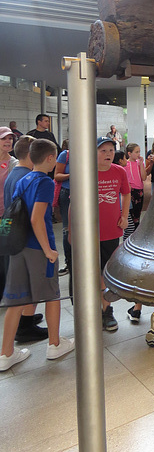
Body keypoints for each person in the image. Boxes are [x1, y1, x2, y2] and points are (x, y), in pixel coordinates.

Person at [0, 139, 74, 372]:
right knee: (52, 296)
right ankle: (54, 344)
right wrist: (49, 250)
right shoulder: (44, 182)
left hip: (19, 247)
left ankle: (6, 354)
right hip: (37, 248)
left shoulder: (22, 179)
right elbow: (36, 218)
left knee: (16, 301)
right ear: (51, 158)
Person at [2, 135, 47, 343]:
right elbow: (32, 216)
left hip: (17, 238)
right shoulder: (27, 177)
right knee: (26, 287)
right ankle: (25, 326)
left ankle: (26, 319)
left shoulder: (15, 173)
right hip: (27, 240)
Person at [96, 137, 131, 331]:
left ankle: (106, 310)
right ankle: (92, 311)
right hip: (89, 232)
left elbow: (126, 193)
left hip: (111, 230)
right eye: (103, 150)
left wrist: (124, 216)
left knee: (105, 271)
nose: (108, 154)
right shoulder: (86, 172)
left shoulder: (119, 172)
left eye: (111, 150)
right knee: (91, 272)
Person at [124, 142, 147, 323]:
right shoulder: (125, 164)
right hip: (129, 191)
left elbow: (143, 177)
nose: (138, 154)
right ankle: (129, 240)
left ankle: (135, 236)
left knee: (137, 218)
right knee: (130, 219)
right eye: (136, 152)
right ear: (129, 153)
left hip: (139, 191)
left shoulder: (139, 163)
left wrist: (141, 164)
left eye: (140, 152)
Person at [0, 126, 18, 296]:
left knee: (4, 254)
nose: (8, 141)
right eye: (4, 138)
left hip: (5, 216)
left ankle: (6, 291)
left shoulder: (14, 163)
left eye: (10, 138)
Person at [54, 139, 71, 286]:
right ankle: (69, 262)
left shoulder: (91, 154)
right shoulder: (64, 155)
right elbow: (57, 175)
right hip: (67, 193)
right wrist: (72, 175)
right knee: (67, 229)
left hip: (84, 193)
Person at [27, 114, 61, 178]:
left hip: (50, 164)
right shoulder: (31, 135)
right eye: (46, 121)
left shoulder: (50, 135)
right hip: (37, 165)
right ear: (39, 122)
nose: (48, 123)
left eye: (48, 121)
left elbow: (56, 148)